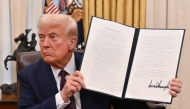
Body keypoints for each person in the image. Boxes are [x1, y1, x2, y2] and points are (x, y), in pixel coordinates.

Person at [17, 14, 182, 109]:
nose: (45, 44)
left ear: (72, 43)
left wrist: (153, 95)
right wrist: (62, 96)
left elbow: (126, 106)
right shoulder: (28, 75)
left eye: (53, 37)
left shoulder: (98, 65)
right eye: (41, 37)